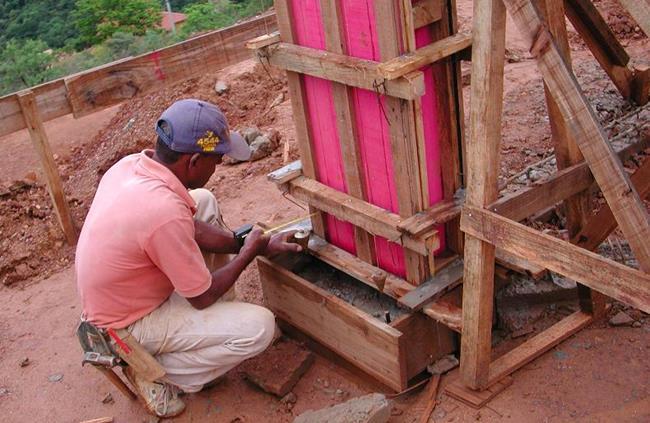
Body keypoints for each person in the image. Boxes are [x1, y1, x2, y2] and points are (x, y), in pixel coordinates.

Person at [75, 99, 302, 418]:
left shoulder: (130, 166)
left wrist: (244, 243)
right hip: (127, 325)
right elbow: (202, 295)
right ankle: (155, 371)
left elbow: (188, 226)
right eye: (216, 159)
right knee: (259, 327)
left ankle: (203, 331)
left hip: (116, 296)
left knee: (203, 202)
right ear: (194, 161)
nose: (218, 165)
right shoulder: (162, 213)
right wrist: (250, 252)